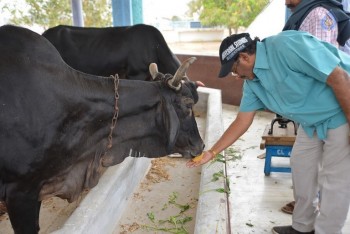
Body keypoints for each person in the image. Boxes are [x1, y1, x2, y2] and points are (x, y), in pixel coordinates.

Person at [186, 31, 350, 234]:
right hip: (312, 121)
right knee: (301, 164)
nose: (235, 75)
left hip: (343, 111)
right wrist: (212, 152)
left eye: (234, 68)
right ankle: (302, 227)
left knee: (334, 180)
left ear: (244, 57)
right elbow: (242, 120)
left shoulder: (287, 46)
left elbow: (339, 77)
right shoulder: (253, 83)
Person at [280, 0, 350, 215]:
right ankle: (306, 215)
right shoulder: (302, 15)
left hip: (330, 105)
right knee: (303, 161)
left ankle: (320, 212)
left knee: (328, 167)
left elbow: (324, 66)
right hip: (314, 108)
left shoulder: (318, 15)